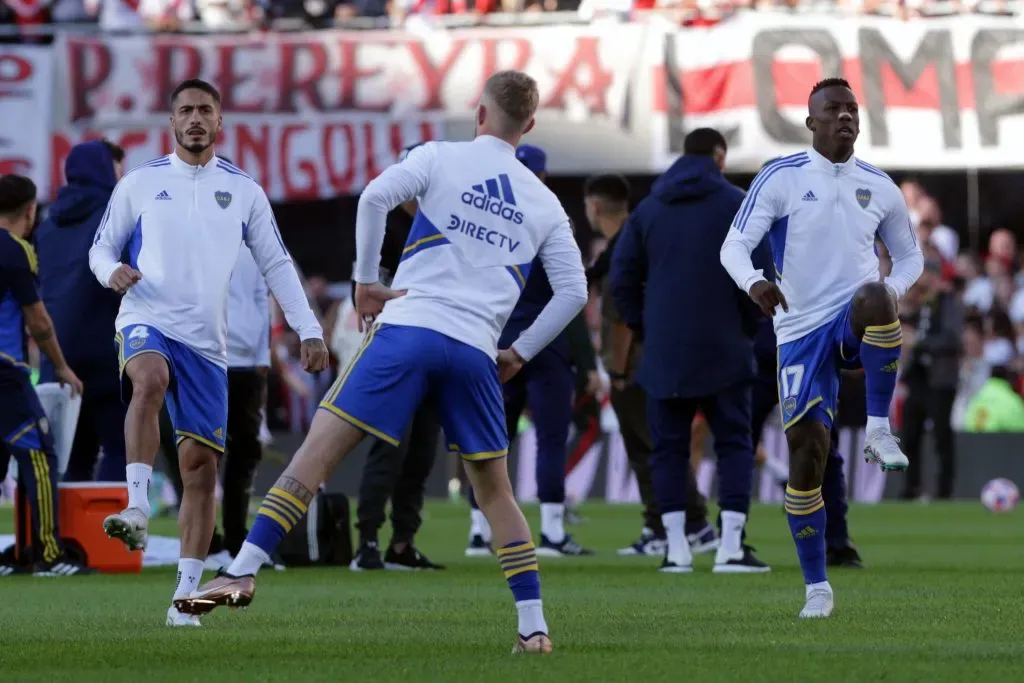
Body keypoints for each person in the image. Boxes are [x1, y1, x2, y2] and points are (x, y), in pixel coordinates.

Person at [176, 70, 588, 655]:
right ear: (529, 125)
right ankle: (533, 626)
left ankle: (242, 571)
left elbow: (374, 197)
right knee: (495, 493)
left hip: (408, 329)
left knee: (316, 453)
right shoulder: (544, 201)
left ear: (479, 114)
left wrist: (365, 281)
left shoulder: (440, 156)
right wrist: (519, 351)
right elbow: (574, 292)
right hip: (474, 349)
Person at [88, 78, 327, 626]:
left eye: (205, 111)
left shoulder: (243, 190)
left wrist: (309, 328)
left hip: (206, 343)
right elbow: (100, 247)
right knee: (148, 380)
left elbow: (277, 264)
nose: (195, 119)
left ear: (220, 123)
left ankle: (185, 599)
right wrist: (112, 272)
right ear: (171, 123)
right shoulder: (141, 184)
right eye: (186, 111)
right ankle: (139, 506)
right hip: (146, 315)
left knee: (201, 470)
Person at [720, 77, 923, 618]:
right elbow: (734, 244)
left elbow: (909, 259)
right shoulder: (780, 177)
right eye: (832, 110)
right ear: (810, 122)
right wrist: (755, 283)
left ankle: (879, 431)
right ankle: (817, 587)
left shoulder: (880, 186)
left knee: (879, 294)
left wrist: (892, 293)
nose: (845, 117)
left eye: (852, 109)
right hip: (798, 331)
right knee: (808, 455)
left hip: (850, 317)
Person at [612, 128, 767, 574]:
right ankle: (731, 548)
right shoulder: (737, 205)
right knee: (735, 444)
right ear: (719, 157)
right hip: (725, 348)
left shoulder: (649, 209)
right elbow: (761, 276)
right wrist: (744, 326)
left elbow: (621, 280)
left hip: (665, 353)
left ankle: (676, 549)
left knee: (668, 450)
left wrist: (647, 327)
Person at [464, 143, 594, 559]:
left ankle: (478, 531)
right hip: (547, 342)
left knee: (489, 438)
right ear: (543, 176)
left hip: (497, 338)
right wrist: (586, 360)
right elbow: (571, 296)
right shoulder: (552, 216)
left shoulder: (484, 218)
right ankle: (552, 532)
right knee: (550, 437)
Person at [583, 173, 719, 557]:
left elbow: (623, 313)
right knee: (659, 446)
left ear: (594, 206)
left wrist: (621, 368)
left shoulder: (623, 251)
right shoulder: (641, 241)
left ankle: (664, 525)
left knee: (648, 449)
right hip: (658, 356)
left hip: (636, 362)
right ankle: (693, 524)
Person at [349, 142, 445, 572]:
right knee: (389, 445)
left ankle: (403, 542)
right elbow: (369, 286)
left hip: (437, 344)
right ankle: (366, 540)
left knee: (423, 450)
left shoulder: (442, 221)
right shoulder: (383, 226)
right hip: (395, 346)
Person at [0, 174, 87, 575]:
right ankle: (50, 554)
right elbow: (37, 321)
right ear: (30, 210)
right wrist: (63, 365)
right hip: (6, 372)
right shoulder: (16, 251)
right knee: (39, 454)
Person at [35, 139, 127, 483]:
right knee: (123, 449)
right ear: (106, 170)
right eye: (119, 168)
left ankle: (68, 536)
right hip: (106, 351)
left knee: (73, 457)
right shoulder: (116, 214)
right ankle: (108, 533)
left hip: (57, 356)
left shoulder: (47, 225)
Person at [900, 257, 963, 500]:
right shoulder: (922, 305)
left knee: (941, 437)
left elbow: (952, 339)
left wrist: (919, 342)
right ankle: (911, 487)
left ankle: (944, 490)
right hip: (919, 378)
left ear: (935, 277)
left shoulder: (948, 304)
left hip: (940, 379)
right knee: (910, 434)